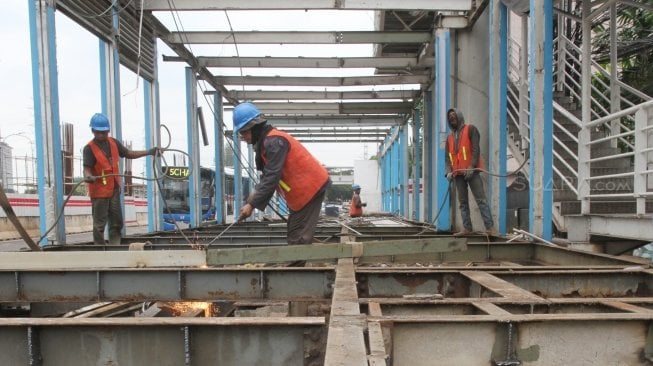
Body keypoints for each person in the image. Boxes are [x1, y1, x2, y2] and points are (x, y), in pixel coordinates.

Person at [234, 102, 331, 244]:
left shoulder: (273, 141)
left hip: (311, 188)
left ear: (253, 127)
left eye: (244, 132)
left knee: (298, 237)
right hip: (304, 191)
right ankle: (300, 262)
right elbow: (268, 175)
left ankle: (298, 264)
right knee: (295, 232)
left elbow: (272, 176)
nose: (243, 137)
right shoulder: (267, 143)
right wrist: (252, 199)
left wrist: (251, 205)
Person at [83, 113, 158, 245]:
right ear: (93, 131)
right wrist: (88, 176)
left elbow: (129, 154)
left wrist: (149, 152)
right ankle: (99, 249)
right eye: (98, 132)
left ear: (108, 131)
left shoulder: (114, 143)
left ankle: (115, 246)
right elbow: (87, 168)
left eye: (104, 132)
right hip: (99, 193)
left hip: (114, 190)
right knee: (99, 224)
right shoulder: (89, 149)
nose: (101, 135)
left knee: (117, 221)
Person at [444, 108, 497, 236]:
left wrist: (471, 166)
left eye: (453, 115)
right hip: (457, 174)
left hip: (471, 172)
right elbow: (447, 157)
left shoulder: (471, 129)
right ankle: (467, 228)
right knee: (463, 203)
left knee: (481, 200)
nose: (452, 118)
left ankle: (490, 228)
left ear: (459, 116)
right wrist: (448, 172)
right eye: (450, 117)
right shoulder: (449, 138)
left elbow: (475, 149)